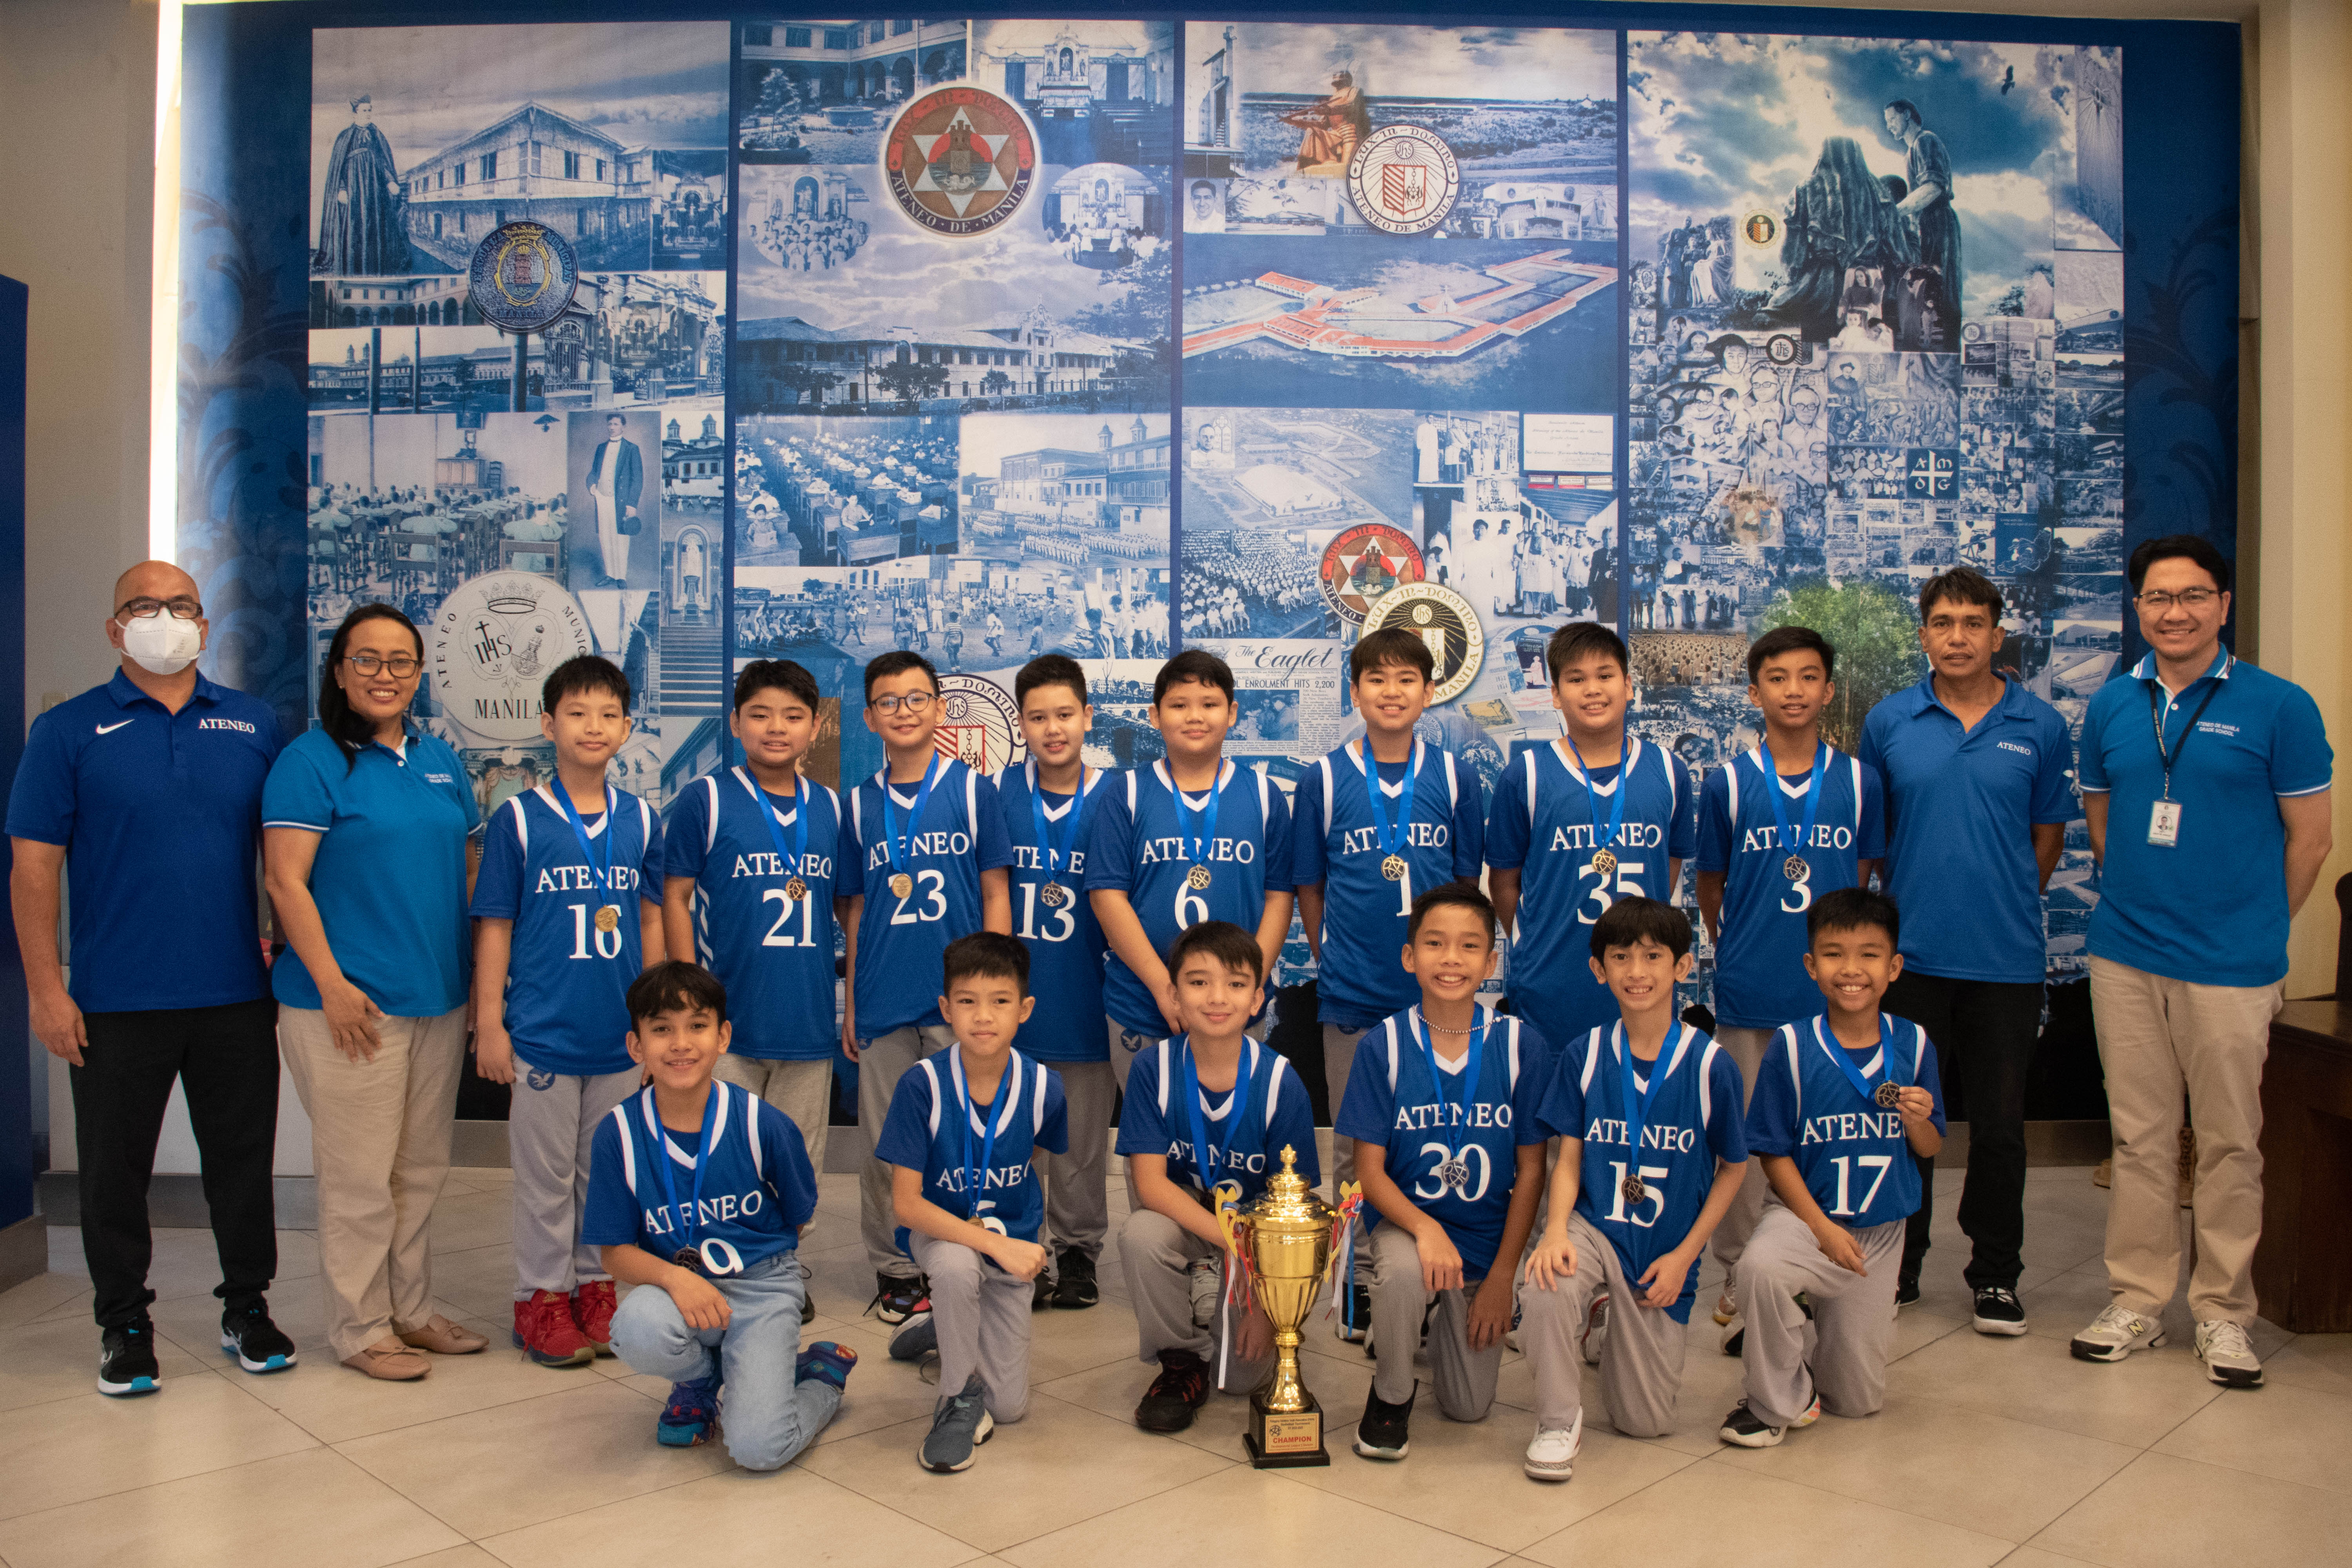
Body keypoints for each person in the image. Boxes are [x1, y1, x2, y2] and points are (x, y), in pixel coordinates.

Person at [6, 561, 294, 1396]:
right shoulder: (65, 732)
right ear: (113, 627)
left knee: (241, 1163)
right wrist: (45, 990)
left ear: (205, 627)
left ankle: (248, 1305)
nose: (161, 619)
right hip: (114, 999)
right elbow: (32, 870)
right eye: (142, 605)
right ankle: (124, 1321)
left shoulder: (252, 725)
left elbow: (285, 857)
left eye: (180, 607)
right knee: (112, 1171)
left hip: (237, 992)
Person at [2069, 535, 2332, 1388]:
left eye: (2191, 596)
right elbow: (2104, 821)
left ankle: (2224, 1311)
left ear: (2223, 604)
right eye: (2156, 597)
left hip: (2231, 961)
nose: (2173, 612)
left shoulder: (2280, 706)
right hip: (2127, 953)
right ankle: (2140, 1298)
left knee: (2229, 1141)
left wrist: (2254, 922)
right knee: (2141, 1136)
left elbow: (2312, 840)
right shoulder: (2113, 704)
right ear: (2137, 607)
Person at [262, 603, 488, 1381]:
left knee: (420, 1169)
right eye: (368, 659)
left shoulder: (439, 758)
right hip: (349, 1007)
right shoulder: (313, 759)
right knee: (359, 1176)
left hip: (437, 994)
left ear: (420, 673)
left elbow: (463, 872)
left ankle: (412, 1307)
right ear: (339, 669)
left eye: (401, 661)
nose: (385, 674)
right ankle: (360, 1327)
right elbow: (285, 881)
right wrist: (332, 985)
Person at [1858, 567, 2073, 1329]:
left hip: (2005, 960)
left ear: (1996, 632)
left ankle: (1994, 1273)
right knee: (1902, 1118)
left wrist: (2000, 894)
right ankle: (1898, 1265)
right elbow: (1870, 840)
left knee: (2001, 1126)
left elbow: (2047, 836)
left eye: (1972, 623)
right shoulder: (1889, 721)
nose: (1957, 636)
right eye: (1943, 622)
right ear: (1923, 634)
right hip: (1910, 961)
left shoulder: (2039, 726)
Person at [469, 656, 666, 1367]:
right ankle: (541, 1297)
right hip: (544, 1035)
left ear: (627, 728)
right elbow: (495, 925)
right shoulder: (519, 819)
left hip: (617, 1038)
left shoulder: (642, 818)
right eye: (577, 714)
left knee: (606, 1174)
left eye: (608, 714)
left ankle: (594, 1287)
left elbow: (649, 925)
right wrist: (490, 1024)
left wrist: (657, 1024)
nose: (593, 727)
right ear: (548, 724)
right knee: (546, 1180)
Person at [1293, 628, 1487, 1336]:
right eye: (1377, 679)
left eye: (1407, 679)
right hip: (1354, 994)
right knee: (1354, 1147)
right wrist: (1332, 953)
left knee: (1443, 1129)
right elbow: (1311, 885)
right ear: (1357, 692)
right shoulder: (1322, 778)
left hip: (1437, 999)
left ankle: (1441, 1270)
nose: (1392, 691)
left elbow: (1467, 888)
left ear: (1429, 692)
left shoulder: (1457, 776)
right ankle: (1360, 1282)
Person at [585, 961, 855, 1465]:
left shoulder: (762, 1123)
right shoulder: (618, 1133)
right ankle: (701, 1378)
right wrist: (677, 1279)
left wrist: (757, 1272)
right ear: (636, 1046)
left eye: (697, 1026)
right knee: (637, 1326)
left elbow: (797, 1217)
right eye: (662, 1029)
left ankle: (819, 1376)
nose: (681, 1043)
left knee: (759, 1449)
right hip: (680, 1287)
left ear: (723, 1036)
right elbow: (614, 1252)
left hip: (761, 1286)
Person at [1694, 626, 1884, 1338]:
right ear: (1755, 693)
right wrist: (1743, 946)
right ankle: (1743, 1276)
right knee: (1744, 1142)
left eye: (1809, 677)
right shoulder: (1728, 783)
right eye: (1778, 678)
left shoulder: (1860, 780)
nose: (1795, 690)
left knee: (1826, 1135)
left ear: (1829, 691)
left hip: (1837, 1000)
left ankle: (1822, 1264)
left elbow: (1862, 881)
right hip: (1751, 988)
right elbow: (1712, 886)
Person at [1523, 898, 1749, 1475]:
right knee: (1548, 1282)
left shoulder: (1711, 1066)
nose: (1637, 972)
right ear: (1600, 970)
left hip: (1662, 1248)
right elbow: (1569, 1156)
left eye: (1653, 956)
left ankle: (1605, 1322)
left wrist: (1685, 1256)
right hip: (1598, 1228)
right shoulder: (1585, 1053)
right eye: (1621, 957)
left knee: (1645, 1424)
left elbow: (1733, 1169)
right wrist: (1553, 1231)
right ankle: (1557, 1421)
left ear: (1681, 967)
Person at [1719, 887, 1945, 1448]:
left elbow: (1931, 1146)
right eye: (1834, 954)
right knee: (1761, 1268)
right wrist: (1821, 1230)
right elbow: (1772, 1153)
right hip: (1806, 1219)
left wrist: (1918, 1119)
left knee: (1858, 1403)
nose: (1852, 970)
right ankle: (1772, 1399)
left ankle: (1812, 1336)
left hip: (1879, 1233)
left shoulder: (1914, 1043)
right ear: (1812, 966)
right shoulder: (1793, 1046)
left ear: (1894, 967)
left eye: (1869, 955)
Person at [1338, 885, 1550, 1465]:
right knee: (1405, 1272)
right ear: (1410, 957)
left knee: (1469, 1407)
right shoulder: (1382, 1046)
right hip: (1406, 1228)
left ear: (1491, 962)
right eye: (1435, 944)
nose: (1451, 959)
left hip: (1485, 1243)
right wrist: (1425, 1229)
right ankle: (1391, 1393)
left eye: (1468, 946)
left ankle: (1430, 1316)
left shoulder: (1521, 1046)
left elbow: (1532, 1171)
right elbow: (1369, 1174)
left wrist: (1505, 1274)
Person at [840, 651, 1014, 1325]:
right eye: (890, 701)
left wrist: (998, 991)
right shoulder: (857, 804)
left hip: (962, 1001)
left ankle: (965, 1253)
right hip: (885, 997)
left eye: (917, 699)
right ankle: (896, 1267)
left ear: (940, 710)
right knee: (888, 1141)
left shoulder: (974, 791)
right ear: (870, 716)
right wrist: (852, 1001)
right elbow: (854, 914)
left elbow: (996, 891)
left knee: (964, 1136)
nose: (904, 712)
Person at [662, 661, 844, 1246]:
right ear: (737, 723)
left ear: (814, 728)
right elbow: (677, 894)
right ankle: (726, 1259)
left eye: (793, 717)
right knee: (724, 1154)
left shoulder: (831, 808)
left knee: (797, 1157)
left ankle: (785, 1264)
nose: (776, 728)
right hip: (729, 1018)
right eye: (760, 715)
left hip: (809, 1019)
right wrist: (690, 999)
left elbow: (848, 909)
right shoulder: (705, 799)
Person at [1116, 921, 1319, 1434]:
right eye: (1199, 981)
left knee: (1243, 1379)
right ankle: (1179, 1361)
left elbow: (1291, 1212)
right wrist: (1238, 1247)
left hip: (1258, 1227)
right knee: (1141, 1236)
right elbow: (1151, 1185)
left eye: (1234, 983)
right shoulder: (1152, 1069)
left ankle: (1237, 1304)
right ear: (1175, 996)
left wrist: (1267, 1307)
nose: (1216, 997)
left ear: (1257, 999)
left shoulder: (1280, 1081)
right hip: (1192, 1215)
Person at [877, 934, 1069, 1472]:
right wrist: (989, 1243)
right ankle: (955, 1400)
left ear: (1024, 1009)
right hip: (942, 1234)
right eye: (967, 1001)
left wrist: (1018, 1245)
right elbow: (908, 1206)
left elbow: (1028, 1159)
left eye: (1000, 1001)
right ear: (946, 1009)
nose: (983, 1016)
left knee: (1008, 1408)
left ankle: (941, 1328)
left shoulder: (1044, 1088)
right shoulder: (922, 1086)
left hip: (1009, 1244)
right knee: (958, 1267)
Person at [1487, 622, 1697, 1055]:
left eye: (1605, 676)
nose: (1593, 690)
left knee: (1633, 1115)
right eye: (1576, 679)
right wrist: (1532, 943)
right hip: (1553, 980)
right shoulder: (1525, 775)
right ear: (1556, 694)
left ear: (1629, 685)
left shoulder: (1668, 771)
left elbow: (1669, 864)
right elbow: (1504, 881)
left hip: (1643, 984)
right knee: (1549, 1116)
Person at [1088, 649, 1296, 1046]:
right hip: (1143, 1003)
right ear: (1154, 715)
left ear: (1232, 713)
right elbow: (1107, 898)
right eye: (1179, 705)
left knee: (1235, 1110)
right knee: (1149, 1108)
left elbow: (1279, 899)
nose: (1195, 716)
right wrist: (1164, 988)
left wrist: (1246, 987)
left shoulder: (1264, 795)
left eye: (1210, 704)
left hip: (1236, 1008)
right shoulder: (1126, 794)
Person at [994, 657, 1116, 1310]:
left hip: (1085, 994)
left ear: (1087, 717)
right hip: (1014, 1000)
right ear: (1022, 724)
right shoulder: (997, 792)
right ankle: (1019, 1245)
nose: (1053, 729)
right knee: (1013, 1138)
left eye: (1064, 715)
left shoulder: (1116, 796)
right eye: (1037, 717)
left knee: (1080, 1141)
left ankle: (1077, 1251)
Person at [1885, 100, 1961, 320]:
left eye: (1892, 119)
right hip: (1924, 224)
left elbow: (1933, 188)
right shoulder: (1910, 153)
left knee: (1941, 289)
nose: (1889, 126)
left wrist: (1891, 214)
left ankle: (1948, 344)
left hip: (1938, 221)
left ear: (1907, 114)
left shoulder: (1925, 141)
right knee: (1925, 290)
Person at [314, 94, 404, 275]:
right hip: (353, 189)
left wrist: (391, 181)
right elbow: (337, 169)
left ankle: (375, 267)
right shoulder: (345, 137)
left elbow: (384, 163)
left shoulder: (377, 136)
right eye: (365, 110)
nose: (369, 114)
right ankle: (353, 268)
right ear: (355, 114)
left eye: (370, 110)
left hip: (375, 190)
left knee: (375, 227)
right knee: (354, 228)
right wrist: (341, 189)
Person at [586, 413, 643, 587]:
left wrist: (632, 504)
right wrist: (592, 486)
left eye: (616, 424)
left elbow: (638, 479)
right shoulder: (600, 448)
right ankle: (610, 574)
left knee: (621, 538)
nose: (612, 427)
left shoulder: (632, 449)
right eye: (610, 424)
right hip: (602, 498)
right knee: (605, 537)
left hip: (621, 501)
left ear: (623, 427)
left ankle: (621, 577)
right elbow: (593, 472)